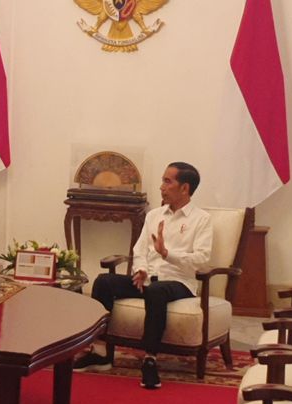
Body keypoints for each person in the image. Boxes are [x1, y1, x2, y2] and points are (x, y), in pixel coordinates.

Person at [76, 162, 212, 389]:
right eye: (163, 180)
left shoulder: (201, 219)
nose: (161, 187)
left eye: (168, 182)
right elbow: (139, 251)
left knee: (157, 291)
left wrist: (168, 254)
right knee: (104, 282)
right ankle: (101, 353)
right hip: (148, 279)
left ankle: (150, 359)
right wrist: (141, 270)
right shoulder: (154, 216)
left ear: (185, 188)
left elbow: (202, 259)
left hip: (179, 282)